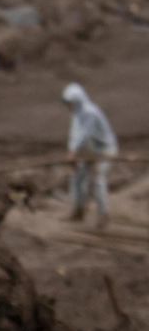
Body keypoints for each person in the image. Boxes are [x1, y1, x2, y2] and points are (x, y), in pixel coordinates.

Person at [62, 82, 118, 229]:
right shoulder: (77, 113)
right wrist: (71, 152)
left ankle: (103, 215)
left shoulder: (90, 112)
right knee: (77, 177)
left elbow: (84, 134)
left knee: (98, 180)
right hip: (90, 150)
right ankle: (78, 210)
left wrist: (73, 152)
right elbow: (74, 134)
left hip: (105, 149)